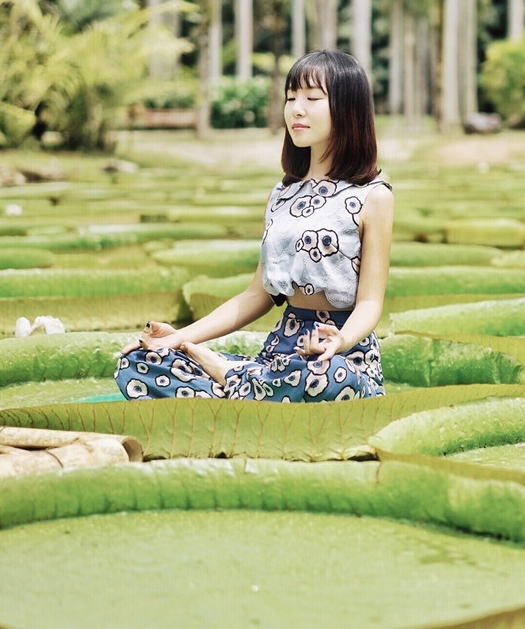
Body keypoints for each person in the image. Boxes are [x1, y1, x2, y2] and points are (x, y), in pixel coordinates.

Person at [114, 50, 394, 402]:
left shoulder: (374, 196)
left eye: (312, 98)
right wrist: (177, 339)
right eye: (291, 98)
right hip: (279, 356)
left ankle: (227, 376)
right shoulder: (281, 194)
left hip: (338, 360)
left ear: (347, 108)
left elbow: (370, 302)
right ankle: (241, 379)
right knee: (140, 363)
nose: (296, 109)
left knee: (321, 378)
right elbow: (255, 295)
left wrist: (340, 340)